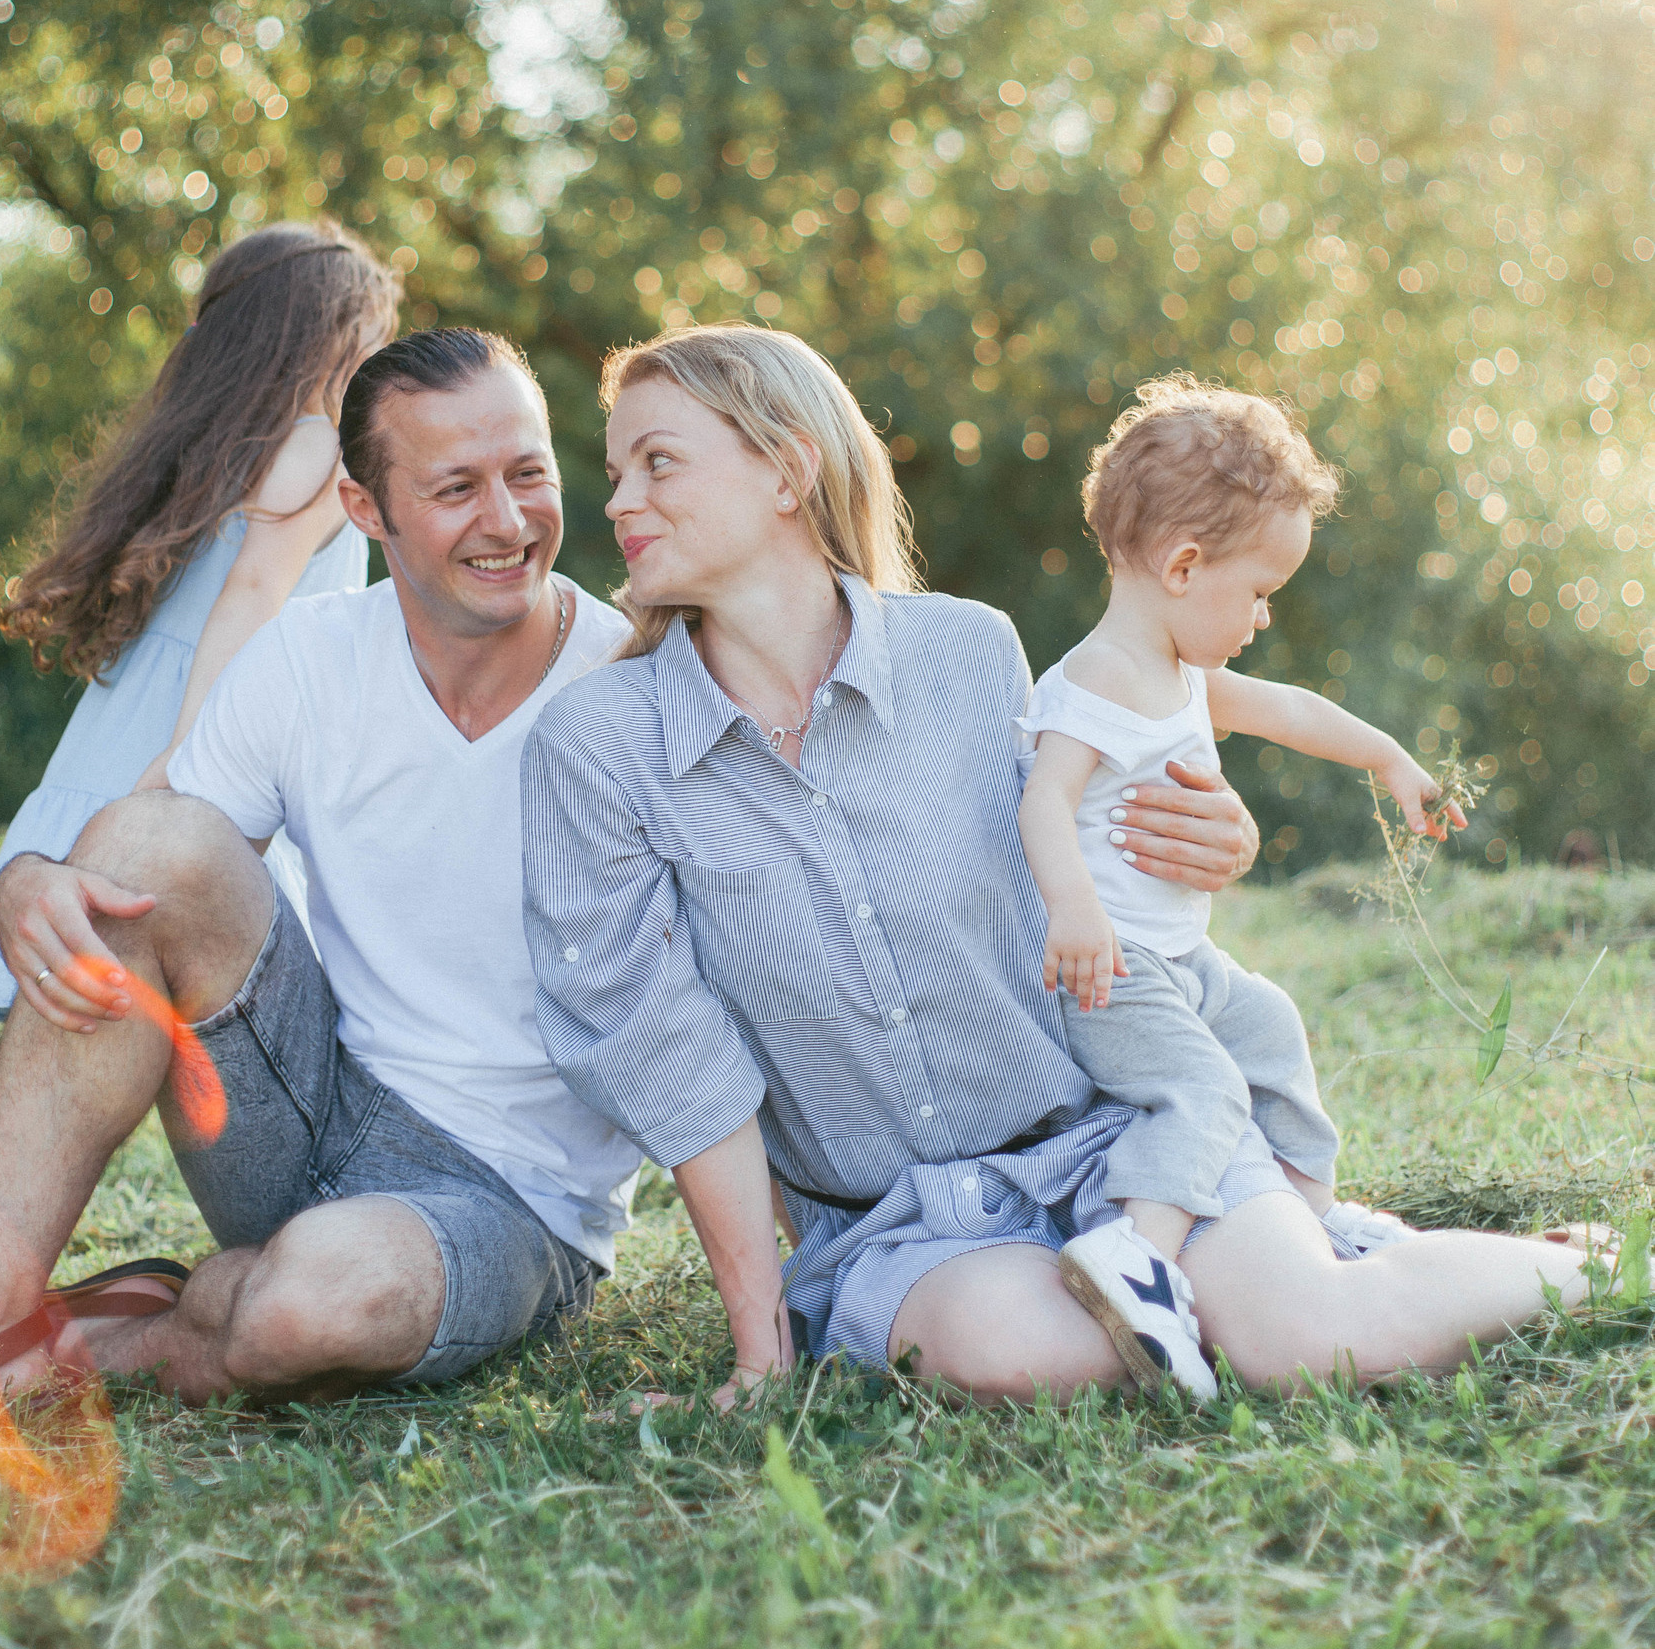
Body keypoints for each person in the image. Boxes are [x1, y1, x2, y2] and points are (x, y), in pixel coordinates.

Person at [522, 323, 1607, 1410]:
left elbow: (1108, 825)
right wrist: (763, 1355)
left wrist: (1215, 833)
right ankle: (1300, 1251)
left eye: (657, 462)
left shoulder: (969, 652)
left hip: (1111, 1128)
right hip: (902, 1218)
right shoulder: (601, 745)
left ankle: (1581, 1259)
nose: (616, 501)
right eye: (615, 472)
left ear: (789, 471)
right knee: (1039, 1359)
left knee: (1300, 1342)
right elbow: (668, 1055)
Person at [0, 329, 640, 1404]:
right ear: (367, 511)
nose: (507, 522)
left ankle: (161, 1326)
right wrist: (27, 878)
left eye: (528, 474)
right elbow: (148, 852)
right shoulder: (312, 655)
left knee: (304, 1312)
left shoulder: (631, 689)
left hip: (509, 1200)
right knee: (141, 853)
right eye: (456, 487)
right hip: (305, 1106)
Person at [1018, 377, 1465, 1399]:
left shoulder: (1179, 669)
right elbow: (1044, 802)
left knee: (1268, 1028)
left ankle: (1308, 1219)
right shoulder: (1094, 683)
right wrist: (1076, 912)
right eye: (1260, 591)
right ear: (1184, 566)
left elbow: (1295, 711)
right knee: (1205, 1089)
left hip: (1185, 963)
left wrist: (1390, 759)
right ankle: (1141, 1255)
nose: (1266, 615)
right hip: (1116, 974)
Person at [0, 220, 399, 1023]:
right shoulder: (319, 445)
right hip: (192, 736)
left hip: (124, 743)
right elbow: (254, 588)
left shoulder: (219, 449)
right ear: (326, 337)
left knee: (88, 1026)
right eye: (371, 344)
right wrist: (189, 752)